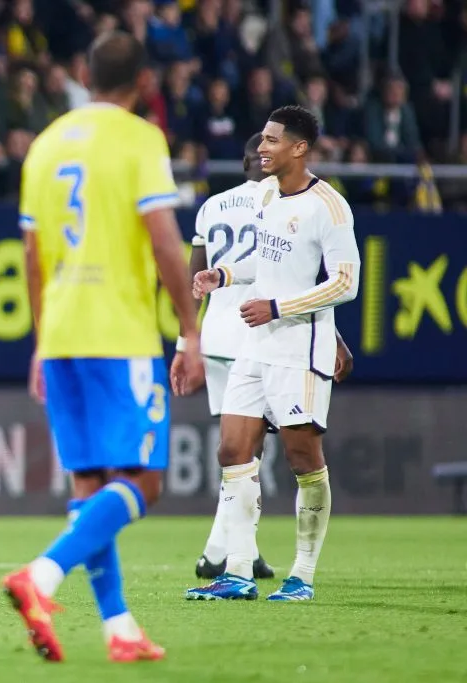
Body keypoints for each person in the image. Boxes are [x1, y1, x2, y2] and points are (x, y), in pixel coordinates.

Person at [2, 32, 202, 663]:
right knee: (145, 481)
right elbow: (165, 239)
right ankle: (41, 575)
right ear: (144, 82)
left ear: (84, 73)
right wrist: (191, 329)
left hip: (61, 332)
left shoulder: (45, 143)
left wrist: (40, 339)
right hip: (120, 334)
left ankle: (119, 630)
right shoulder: (141, 138)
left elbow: (33, 254)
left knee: (91, 486)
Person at [186, 105, 360, 602]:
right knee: (233, 450)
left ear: (299, 148)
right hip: (255, 346)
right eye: (262, 140)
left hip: (299, 349)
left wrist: (279, 306)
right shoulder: (266, 194)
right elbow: (267, 258)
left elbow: (346, 282)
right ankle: (238, 571)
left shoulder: (329, 206)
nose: (260, 148)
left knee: (302, 457)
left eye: (270, 140)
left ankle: (302, 575)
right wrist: (224, 276)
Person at [187, 134, 276, 581]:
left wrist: (187, 340)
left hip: (215, 332)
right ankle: (217, 550)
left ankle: (243, 548)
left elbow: (194, 276)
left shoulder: (212, 206)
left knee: (237, 447)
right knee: (248, 450)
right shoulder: (283, 204)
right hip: (255, 331)